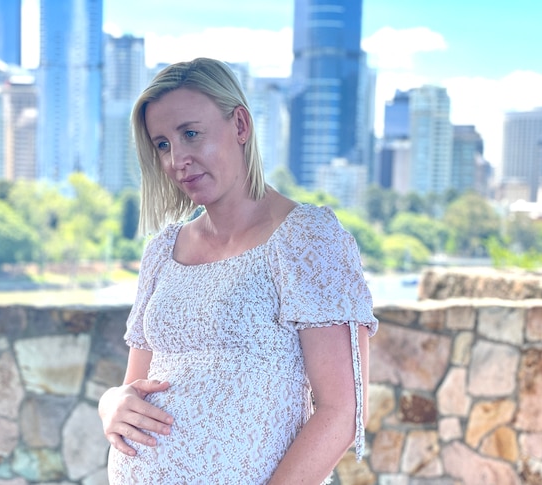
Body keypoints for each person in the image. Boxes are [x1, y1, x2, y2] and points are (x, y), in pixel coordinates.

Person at [98, 57, 378, 484]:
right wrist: (110, 404)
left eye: (191, 134)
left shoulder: (308, 238)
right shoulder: (162, 252)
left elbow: (342, 411)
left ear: (241, 126)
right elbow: (135, 387)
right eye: (163, 144)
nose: (177, 160)